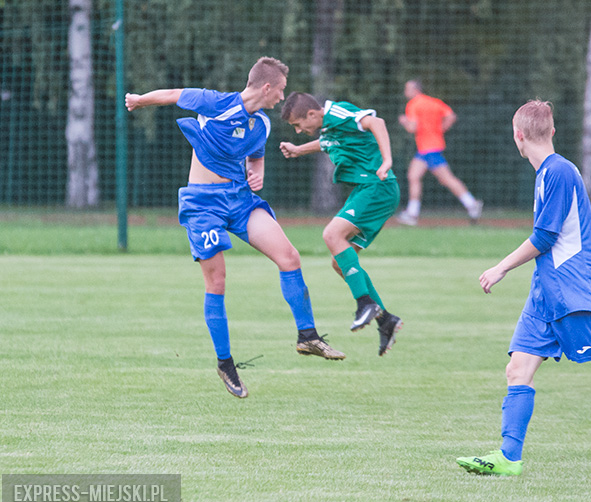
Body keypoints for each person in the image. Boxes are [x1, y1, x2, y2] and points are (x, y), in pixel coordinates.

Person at [456, 100, 591, 477]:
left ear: (518, 136)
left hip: (571, 290)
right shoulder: (548, 173)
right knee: (517, 368)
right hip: (546, 291)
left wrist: (501, 267)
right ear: (551, 131)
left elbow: (545, 236)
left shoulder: (559, 171)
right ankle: (508, 457)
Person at [125, 57, 344, 400]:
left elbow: (255, 156)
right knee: (218, 280)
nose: (282, 98)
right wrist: (139, 100)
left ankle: (308, 336)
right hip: (203, 203)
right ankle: (225, 363)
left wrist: (259, 173)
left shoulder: (262, 124)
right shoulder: (216, 103)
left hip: (240, 199)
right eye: (281, 90)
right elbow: (173, 93)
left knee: (289, 256)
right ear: (267, 86)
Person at [279, 92, 403, 356]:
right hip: (367, 189)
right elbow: (326, 143)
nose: (300, 131)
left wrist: (388, 160)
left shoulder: (337, 113)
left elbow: (376, 123)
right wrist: (298, 150)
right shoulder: (330, 126)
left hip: (377, 186)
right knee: (340, 262)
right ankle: (386, 321)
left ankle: (365, 303)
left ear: (312, 114)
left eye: (299, 125)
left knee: (332, 234)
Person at [396, 79, 483, 226]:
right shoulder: (433, 102)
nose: (405, 92)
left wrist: (404, 122)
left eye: (407, 88)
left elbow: (412, 128)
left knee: (446, 179)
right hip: (430, 147)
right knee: (414, 175)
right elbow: (451, 116)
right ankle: (412, 213)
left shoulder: (413, 105)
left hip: (428, 148)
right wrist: (441, 129)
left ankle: (471, 204)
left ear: (415, 90)